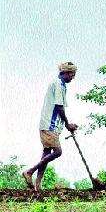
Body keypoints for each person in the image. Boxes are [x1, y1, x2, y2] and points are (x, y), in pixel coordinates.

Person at [23, 62, 78, 191]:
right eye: (72, 74)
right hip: (49, 125)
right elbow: (59, 106)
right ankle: (30, 171)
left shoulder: (62, 86)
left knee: (46, 154)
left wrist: (67, 124)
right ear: (65, 73)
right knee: (58, 152)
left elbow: (60, 107)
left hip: (51, 125)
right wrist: (67, 124)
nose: (73, 77)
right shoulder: (58, 84)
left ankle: (37, 185)